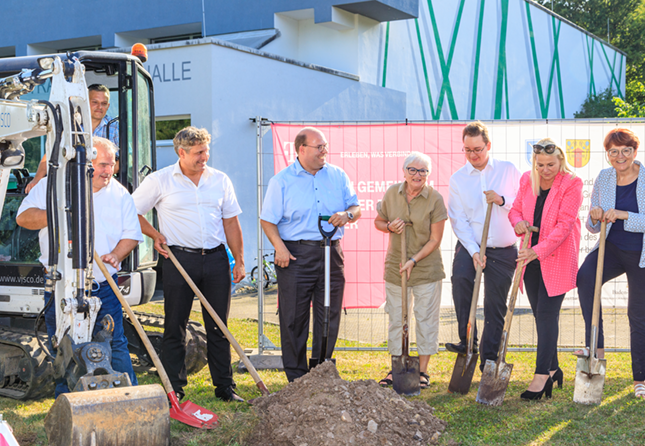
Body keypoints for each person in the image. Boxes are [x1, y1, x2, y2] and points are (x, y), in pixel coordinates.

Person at [16, 137, 141, 397]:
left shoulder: (119, 193)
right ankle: (69, 400)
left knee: (115, 341)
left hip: (103, 283)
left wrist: (116, 255)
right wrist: (60, 214)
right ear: (85, 163)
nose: (109, 170)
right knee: (63, 344)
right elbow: (23, 217)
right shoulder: (54, 185)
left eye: (112, 164)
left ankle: (129, 397)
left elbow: (131, 234)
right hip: (59, 283)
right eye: (104, 164)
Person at [133, 126, 246, 402]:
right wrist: (154, 234)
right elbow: (131, 211)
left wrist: (239, 260)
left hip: (217, 259)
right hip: (178, 259)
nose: (204, 157)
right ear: (181, 153)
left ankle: (225, 388)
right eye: (198, 153)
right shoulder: (160, 181)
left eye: (206, 151)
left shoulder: (220, 180)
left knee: (218, 326)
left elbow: (231, 221)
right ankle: (175, 388)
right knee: (175, 326)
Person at [575, 128, 645, 400]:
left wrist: (624, 215)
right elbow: (593, 227)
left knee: (637, 316)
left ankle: (639, 380)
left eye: (626, 151)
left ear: (635, 151)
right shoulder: (604, 177)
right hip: (613, 249)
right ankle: (597, 350)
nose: (620, 157)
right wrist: (595, 217)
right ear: (607, 154)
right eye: (614, 152)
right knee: (585, 278)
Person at [260, 127, 361, 382]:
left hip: (331, 253)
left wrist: (347, 215)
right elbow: (267, 220)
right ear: (301, 149)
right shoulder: (281, 181)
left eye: (325, 146)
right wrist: (280, 248)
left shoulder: (337, 175)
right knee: (294, 316)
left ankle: (321, 370)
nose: (324, 151)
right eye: (319, 147)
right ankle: (296, 377)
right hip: (295, 255)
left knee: (329, 312)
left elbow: (355, 207)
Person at [508, 139, 582, 400]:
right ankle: (553, 368)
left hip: (556, 255)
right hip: (530, 256)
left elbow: (564, 226)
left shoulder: (572, 183)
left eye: (551, 164)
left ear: (561, 161)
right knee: (540, 315)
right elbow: (515, 209)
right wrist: (518, 223)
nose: (546, 169)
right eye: (540, 165)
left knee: (548, 314)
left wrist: (536, 251)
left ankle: (541, 376)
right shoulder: (529, 179)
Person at [446, 121, 521, 370]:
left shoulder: (508, 170)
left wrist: (502, 200)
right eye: (468, 150)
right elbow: (458, 219)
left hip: (503, 248)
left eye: (478, 149)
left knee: (494, 304)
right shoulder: (458, 179)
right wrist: (474, 251)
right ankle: (468, 342)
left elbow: (523, 204)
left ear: (488, 146)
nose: (473, 155)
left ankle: (489, 358)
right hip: (472, 245)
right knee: (461, 281)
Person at [374, 152, 447, 389]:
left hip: (425, 267)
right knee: (397, 319)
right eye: (413, 170)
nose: (418, 175)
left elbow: (435, 239)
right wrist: (389, 226)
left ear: (429, 174)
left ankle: (422, 372)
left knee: (425, 319)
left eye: (423, 171)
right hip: (396, 267)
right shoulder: (392, 193)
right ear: (404, 171)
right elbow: (378, 221)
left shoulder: (434, 199)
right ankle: (398, 367)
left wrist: (414, 260)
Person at [26, 84, 120, 193]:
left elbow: (124, 160)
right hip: (73, 184)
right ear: (85, 104)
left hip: (103, 186)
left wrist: (102, 175)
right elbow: (52, 152)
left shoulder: (115, 127)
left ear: (108, 106)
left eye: (103, 104)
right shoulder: (71, 125)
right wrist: (37, 179)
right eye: (95, 102)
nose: (99, 107)